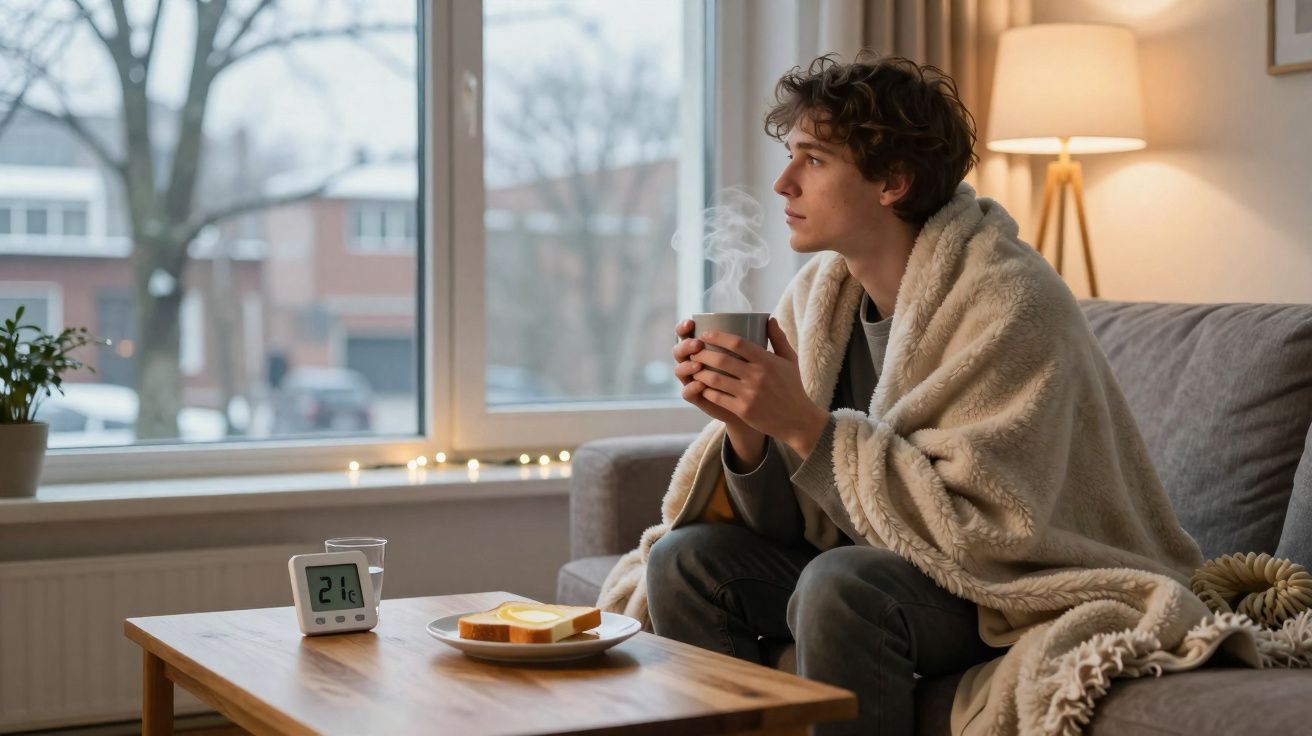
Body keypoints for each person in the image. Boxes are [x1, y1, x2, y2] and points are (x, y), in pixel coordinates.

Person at [635, 51, 1204, 736]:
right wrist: (751, 430)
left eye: (813, 160)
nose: (784, 182)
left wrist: (808, 427)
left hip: (1002, 586)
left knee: (841, 583)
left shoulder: (1009, 300)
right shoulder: (818, 296)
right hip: (887, 564)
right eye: (790, 157)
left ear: (893, 182)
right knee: (685, 561)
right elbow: (790, 525)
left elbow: (988, 532)